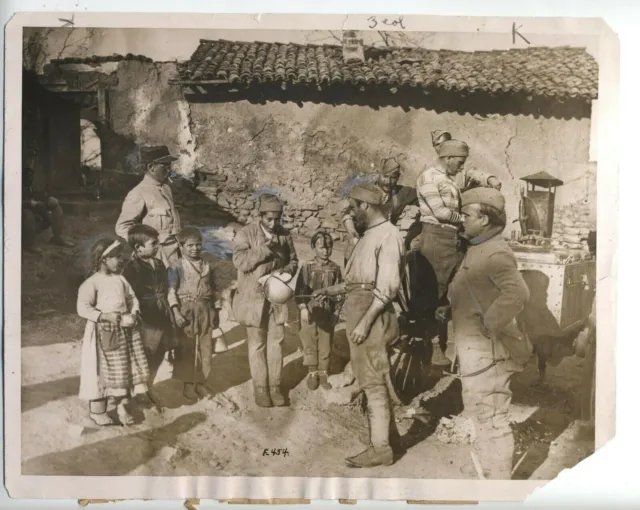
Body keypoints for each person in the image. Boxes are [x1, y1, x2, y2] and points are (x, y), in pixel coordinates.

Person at [436, 188, 530, 479]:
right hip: (475, 346)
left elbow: (517, 294)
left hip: (489, 349)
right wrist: (450, 308)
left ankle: (499, 483)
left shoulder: (496, 252)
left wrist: (489, 323)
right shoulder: (478, 247)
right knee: (480, 409)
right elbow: (476, 290)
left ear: (485, 220)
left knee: (491, 415)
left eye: (466, 215)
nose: (461, 220)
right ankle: (491, 469)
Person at [313, 183, 405, 468]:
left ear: (365, 206)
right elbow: (357, 282)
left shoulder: (390, 236)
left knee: (373, 383)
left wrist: (365, 324)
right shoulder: (370, 236)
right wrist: (330, 291)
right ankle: (390, 439)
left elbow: (386, 288)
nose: (351, 214)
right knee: (372, 379)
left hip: (372, 316)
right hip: (359, 310)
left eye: (353, 208)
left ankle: (381, 449)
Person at [416, 139, 502, 364]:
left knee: (459, 289)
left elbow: (472, 175)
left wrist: (489, 180)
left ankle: (459, 344)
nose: (461, 167)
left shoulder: (449, 179)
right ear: (448, 158)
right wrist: (466, 221)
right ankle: (434, 344)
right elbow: (440, 212)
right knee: (435, 292)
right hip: (435, 237)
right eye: (459, 162)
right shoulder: (428, 178)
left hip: (453, 238)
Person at [232, 194, 299, 408]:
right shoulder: (245, 233)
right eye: (269, 219)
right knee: (257, 344)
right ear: (260, 215)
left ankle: (275, 387)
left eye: (277, 219)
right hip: (253, 298)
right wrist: (264, 248)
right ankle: (260, 389)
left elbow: (294, 260)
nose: (273, 224)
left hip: (276, 297)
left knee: (277, 342)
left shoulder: (285, 234)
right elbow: (240, 262)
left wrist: (283, 274)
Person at [77, 238, 150, 426]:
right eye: (116, 257)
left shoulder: (121, 279)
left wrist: (133, 312)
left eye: (121, 256)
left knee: (123, 367)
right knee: (100, 369)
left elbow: (132, 298)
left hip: (124, 330)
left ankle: (121, 405)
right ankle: (97, 410)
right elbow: (83, 308)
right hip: (102, 332)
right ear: (103, 259)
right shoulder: (92, 283)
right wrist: (104, 316)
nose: (121, 260)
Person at [122, 224, 177, 398]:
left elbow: (167, 288)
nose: (157, 246)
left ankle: (149, 388)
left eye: (157, 243)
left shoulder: (160, 264)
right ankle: (138, 393)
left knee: (160, 352)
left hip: (161, 314)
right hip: (145, 316)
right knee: (143, 355)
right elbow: (127, 296)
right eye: (153, 243)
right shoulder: (131, 269)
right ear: (138, 248)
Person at [168, 227, 221, 403]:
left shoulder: (207, 265)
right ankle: (188, 384)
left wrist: (216, 310)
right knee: (187, 348)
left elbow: (214, 289)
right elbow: (171, 291)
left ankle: (201, 382)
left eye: (198, 245)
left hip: (205, 309)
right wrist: (176, 312)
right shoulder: (176, 266)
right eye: (190, 245)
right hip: (186, 310)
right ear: (181, 246)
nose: (194, 249)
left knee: (205, 348)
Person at [342, 157, 417, 264]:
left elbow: (423, 195)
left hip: (382, 246)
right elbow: (348, 215)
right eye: (385, 176)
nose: (388, 181)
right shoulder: (365, 190)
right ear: (378, 173)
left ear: (398, 177)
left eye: (393, 178)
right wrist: (353, 234)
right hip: (360, 242)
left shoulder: (402, 194)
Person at [115, 145, 182, 267]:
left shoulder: (166, 189)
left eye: (169, 165)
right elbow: (122, 227)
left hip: (174, 251)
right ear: (151, 167)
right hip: (155, 255)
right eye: (165, 166)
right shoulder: (138, 193)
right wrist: (144, 246)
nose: (170, 170)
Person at [294, 231, 343, 391]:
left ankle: (323, 372)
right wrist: (302, 308)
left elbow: (341, 292)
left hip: (327, 311)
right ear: (313, 247)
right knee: (309, 341)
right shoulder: (307, 267)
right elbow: (299, 290)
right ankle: (312, 371)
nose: (325, 251)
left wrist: (336, 312)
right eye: (321, 247)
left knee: (325, 343)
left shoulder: (335, 269)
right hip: (309, 310)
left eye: (329, 247)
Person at [22, 165, 75, 254]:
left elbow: (40, 196)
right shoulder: (14, 186)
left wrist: (48, 200)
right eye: (27, 176)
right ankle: (29, 243)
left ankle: (58, 237)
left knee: (55, 205)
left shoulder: (31, 187)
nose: (30, 178)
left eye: (31, 175)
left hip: (33, 210)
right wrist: (29, 203)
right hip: (19, 215)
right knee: (28, 214)